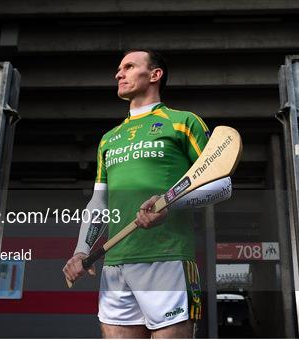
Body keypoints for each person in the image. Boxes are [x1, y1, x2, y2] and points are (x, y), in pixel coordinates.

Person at [63, 49, 232, 338]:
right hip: (115, 266)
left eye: (129, 67)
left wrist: (169, 204)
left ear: (155, 75)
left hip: (167, 260)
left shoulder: (183, 122)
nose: (119, 74)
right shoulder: (109, 139)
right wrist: (82, 250)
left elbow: (223, 185)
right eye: (119, 69)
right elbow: (99, 202)